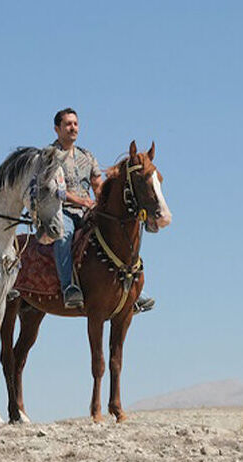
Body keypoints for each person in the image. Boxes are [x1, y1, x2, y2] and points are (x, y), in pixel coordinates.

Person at [51, 107, 154, 313]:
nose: (73, 128)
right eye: (68, 124)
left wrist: (101, 201)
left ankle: (132, 290)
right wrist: (82, 201)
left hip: (88, 209)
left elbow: (97, 184)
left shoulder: (86, 156)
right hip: (61, 210)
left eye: (75, 124)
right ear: (57, 129)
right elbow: (56, 189)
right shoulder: (51, 155)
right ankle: (68, 287)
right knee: (64, 235)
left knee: (118, 233)